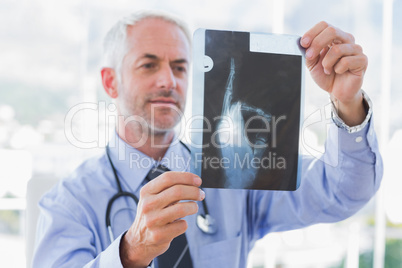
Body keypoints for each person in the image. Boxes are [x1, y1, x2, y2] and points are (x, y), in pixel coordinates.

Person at [32, 10, 383, 268]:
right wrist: (130, 252)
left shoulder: (235, 173)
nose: (168, 80)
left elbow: (343, 193)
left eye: (181, 67)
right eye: (148, 65)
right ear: (111, 82)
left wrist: (347, 103)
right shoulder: (68, 204)